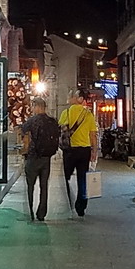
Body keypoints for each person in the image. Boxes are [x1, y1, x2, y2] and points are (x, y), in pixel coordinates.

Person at [59, 88, 98, 217]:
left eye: (71, 97)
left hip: (69, 150)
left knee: (65, 177)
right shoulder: (88, 114)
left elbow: (62, 131)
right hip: (84, 150)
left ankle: (67, 202)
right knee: (82, 179)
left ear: (76, 99)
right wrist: (94, 151)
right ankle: (81, 207)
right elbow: (93, 135)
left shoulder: (66, 113)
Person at [20, 97, 60, 222]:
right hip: (46, 158)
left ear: (36, 106)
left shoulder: (32, 121)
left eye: (33, 106)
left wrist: (24, 149)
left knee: (30, 186)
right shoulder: (52, 121)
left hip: (33, 157)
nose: (32, 109)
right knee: (44, 186)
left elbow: (24, 134)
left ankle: (30, 211)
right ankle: (41, 213)